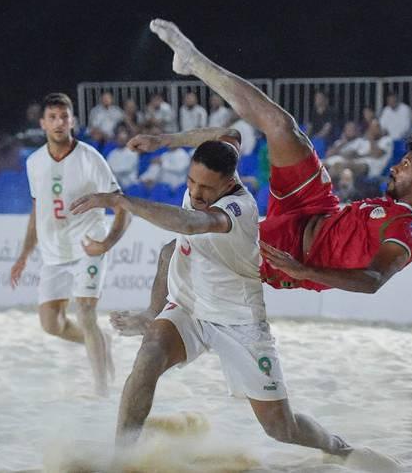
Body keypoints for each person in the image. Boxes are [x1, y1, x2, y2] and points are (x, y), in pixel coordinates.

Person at [69, 139, 354, 457]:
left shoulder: (238, 208)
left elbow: (189, 224)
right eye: (191, 181)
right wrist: (162, 141)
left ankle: (339, 449)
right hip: (189, 308)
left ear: (229, 182)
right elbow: (170, 251)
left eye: (206, 187)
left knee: (281, 428)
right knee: (149, 356)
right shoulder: (204, 186)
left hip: (238, 321)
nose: (195, 193)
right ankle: (120, 454)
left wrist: (117, 200)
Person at [145, 19, 412, 296]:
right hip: (317, 205)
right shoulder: (405, 206)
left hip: (295, 255)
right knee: (282, 127)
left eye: (404, 166)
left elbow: (373, 280)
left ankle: (151, 316)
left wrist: (303, 271)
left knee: (175, 251)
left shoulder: (409, 230)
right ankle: (194, 61)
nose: (394, 168)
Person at [9, 93, 132, 396]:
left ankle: (102, 390)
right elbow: (37, 212)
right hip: (53, 253)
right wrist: (24, 254)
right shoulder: (35, 162)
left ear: (73, 120)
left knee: (85, 311)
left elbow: (123, 207)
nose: (59, 123)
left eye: (64, 116)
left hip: (89, 244)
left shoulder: (90, 157)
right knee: (51, 324)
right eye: (52, 117)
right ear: (42, 123)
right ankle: (101, 341)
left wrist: (106, 244)